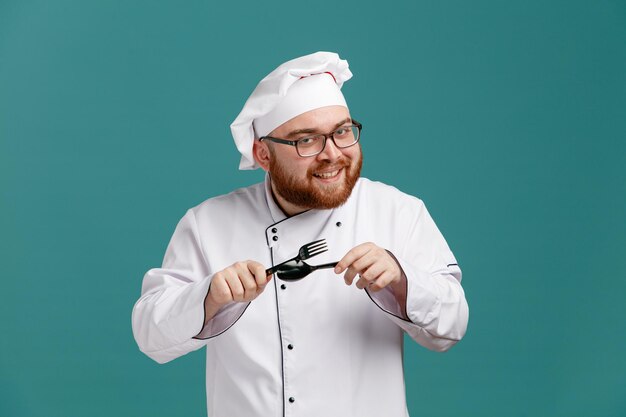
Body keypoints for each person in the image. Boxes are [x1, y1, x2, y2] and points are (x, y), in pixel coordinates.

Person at [132, 51, 469, 417]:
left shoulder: (398, 211)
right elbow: (150, 335)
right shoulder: (208, 223)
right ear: (263, 154)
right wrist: (208, 297)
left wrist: (403, 281)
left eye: (342, 132)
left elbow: (451, 327)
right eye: (306, 140)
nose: (333, 153)